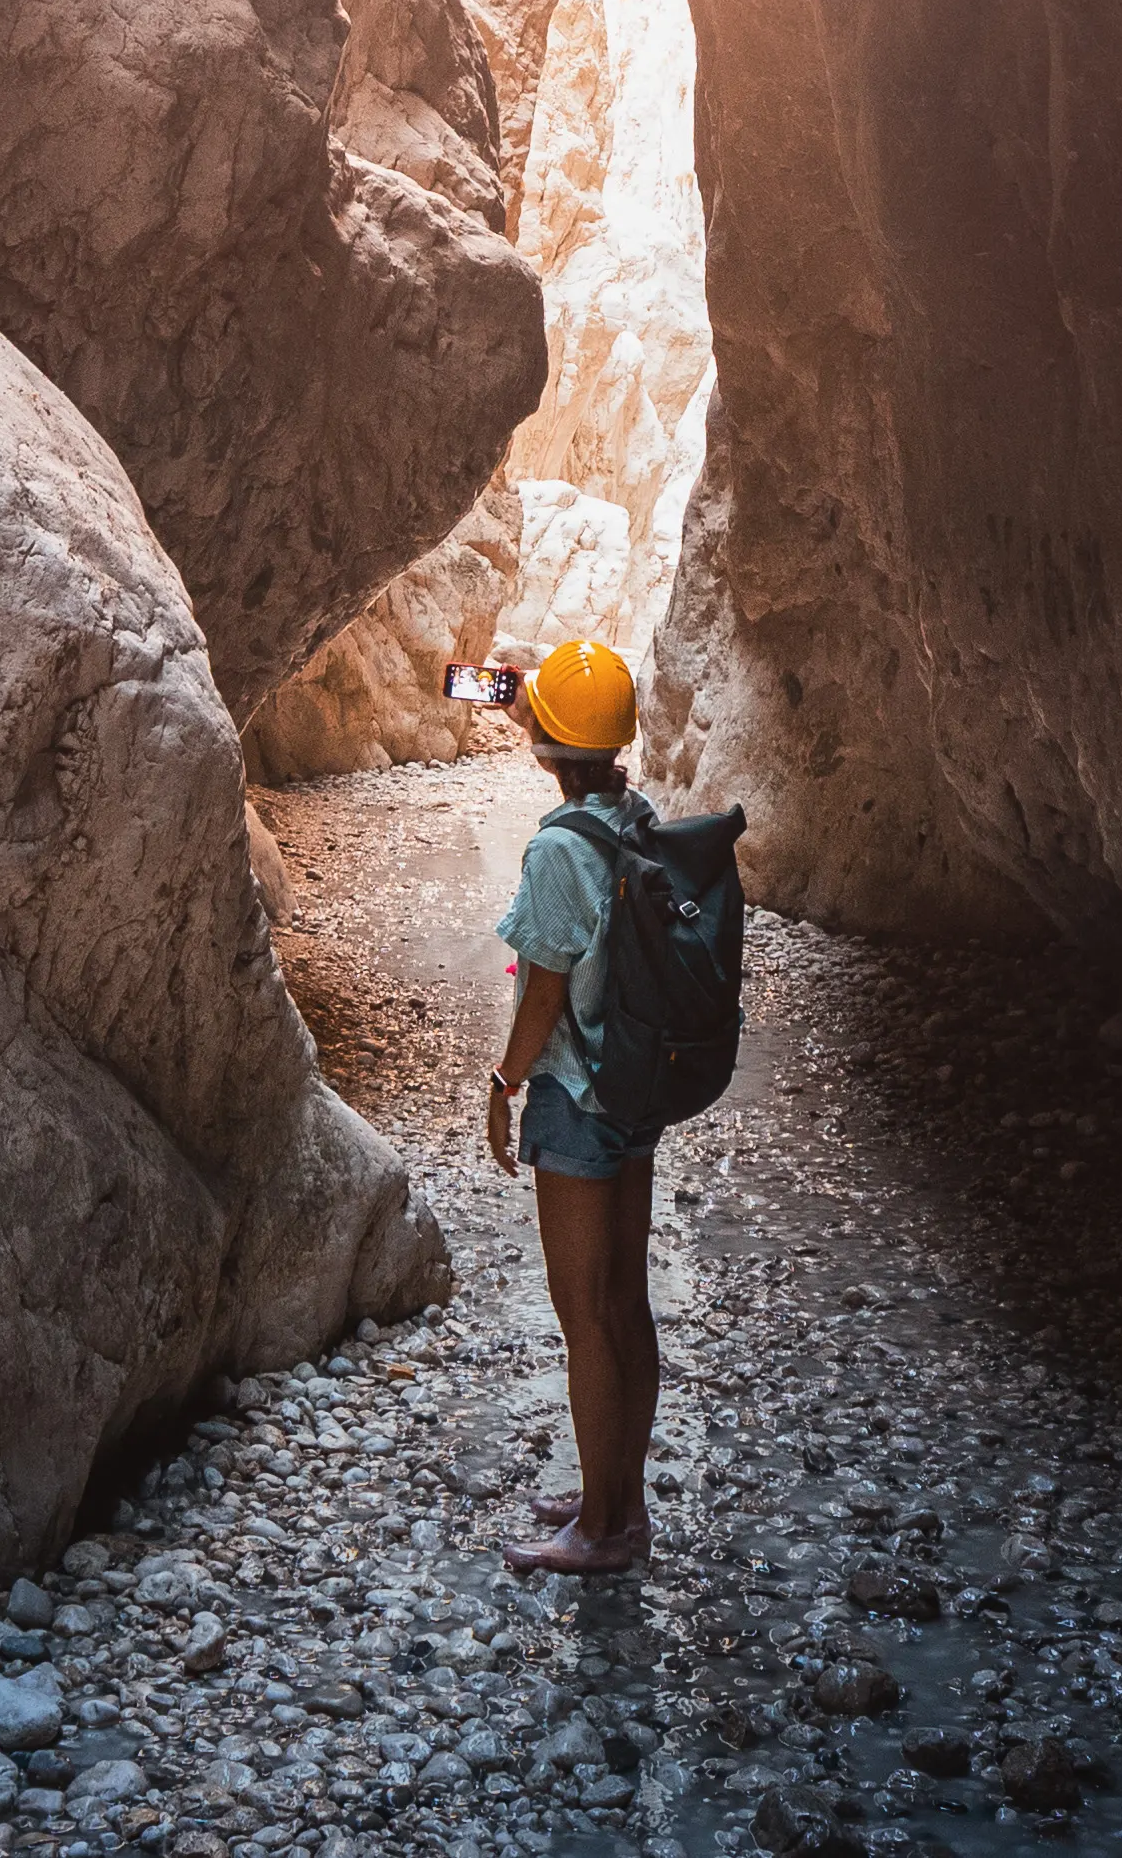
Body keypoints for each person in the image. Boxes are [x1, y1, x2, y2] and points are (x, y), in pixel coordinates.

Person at [484, 636, 662, 1576]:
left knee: (583, 1315)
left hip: (576, 1092)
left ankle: (601, 1532)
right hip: (634, 1082)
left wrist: (503, 1086)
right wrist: (542, 713)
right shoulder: (634, 816)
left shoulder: (559, 850)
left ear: (548, 744)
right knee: (625, 1301)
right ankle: (616, 1496)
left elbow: (543, 992)